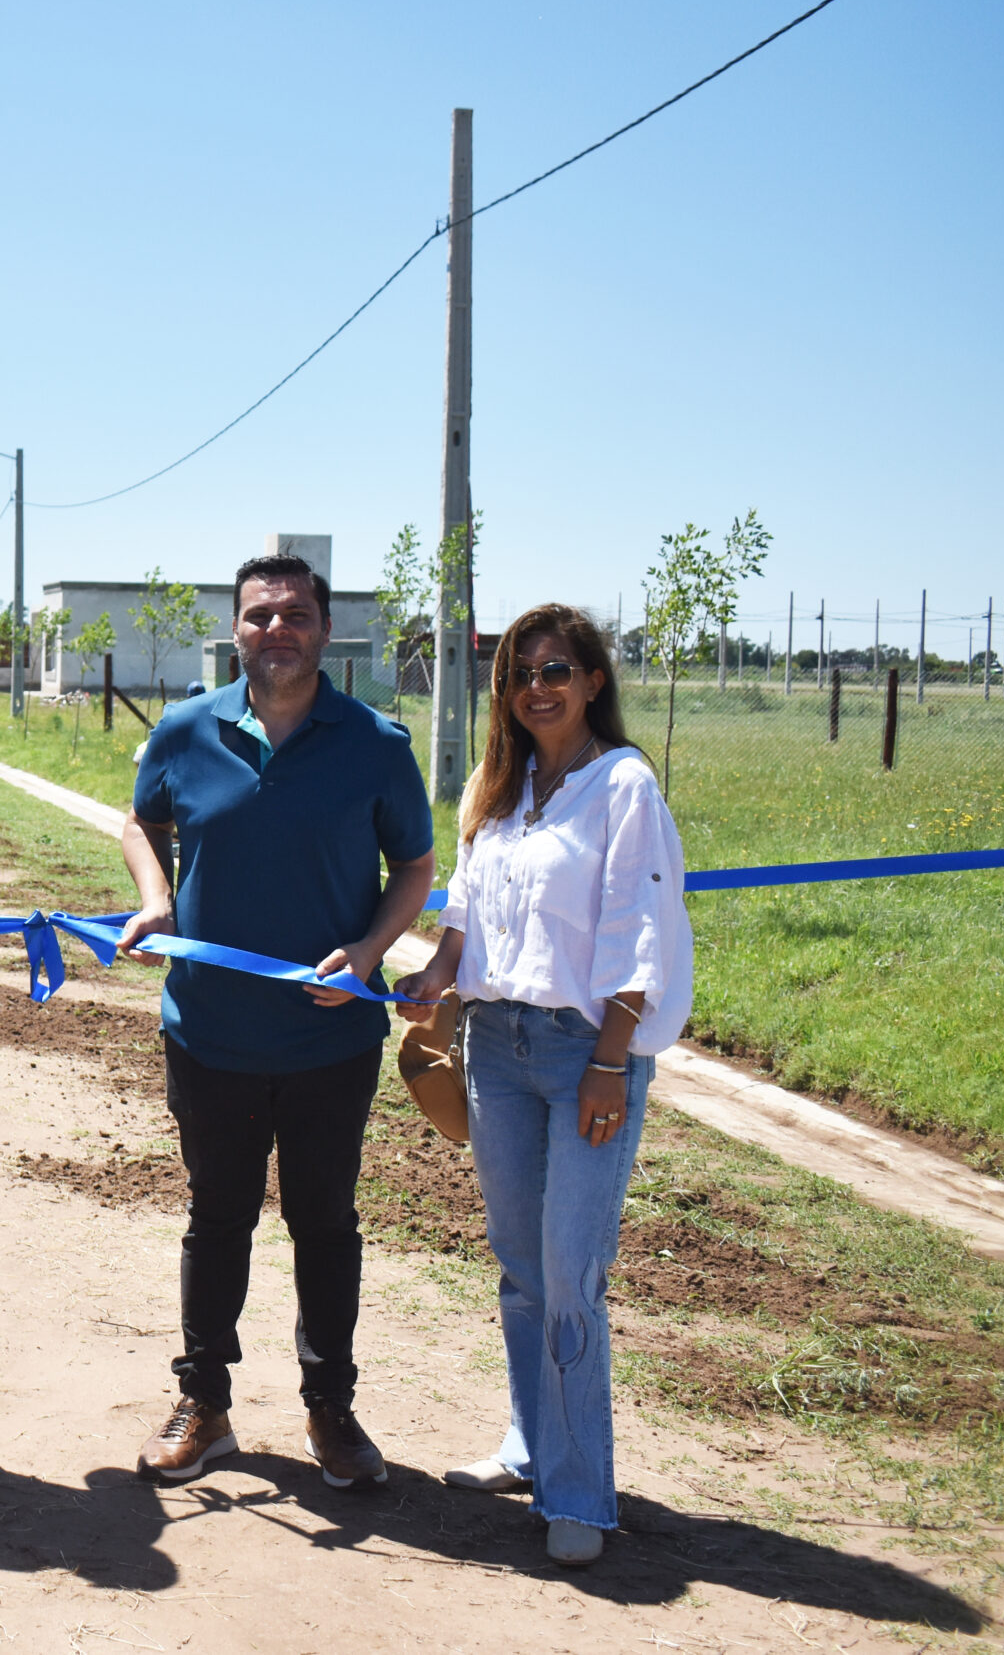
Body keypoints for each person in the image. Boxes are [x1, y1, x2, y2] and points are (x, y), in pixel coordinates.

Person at [116, 553, 436, 1491]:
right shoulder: (186, 730)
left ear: (324, 630)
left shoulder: (375, 743)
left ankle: (331, 1411)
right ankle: (203, 1404)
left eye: (295, 614)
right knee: (216, 1218)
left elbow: (413, 867)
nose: (276, 630)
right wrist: (157, 898)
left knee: (323, 1224)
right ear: (237, 630)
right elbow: (141, 823)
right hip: (209, 1033)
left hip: (329, 1044)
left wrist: (371, 954)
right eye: (259, 616)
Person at [392, 604, 691, 1568]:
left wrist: (612, 1059)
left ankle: (578, 1494)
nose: (538, 687)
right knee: (520, 1263)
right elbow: (467, 910)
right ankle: (529, 1445)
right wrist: (437, 979)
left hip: (582, 1053)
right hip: (496, 1050)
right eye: (521, 673)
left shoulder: (624, 785)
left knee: (571, 1275)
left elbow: (636, 930)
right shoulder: (499, 784)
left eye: (557, 668)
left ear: (594, 679)